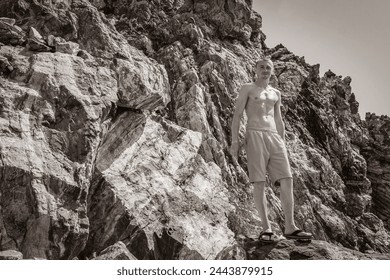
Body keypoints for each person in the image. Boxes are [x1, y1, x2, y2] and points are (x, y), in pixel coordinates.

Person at [230, 56, 312, 242]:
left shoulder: (276, 93)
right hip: (255, 134)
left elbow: (279, 120)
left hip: (274, 137)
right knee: (259, 182)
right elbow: (236, 116)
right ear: (256, 70)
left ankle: (290, 227)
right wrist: (235, 142)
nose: (265, 70)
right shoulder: (247, 88)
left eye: (268, 67)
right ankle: (266, 228)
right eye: (262, 67)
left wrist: (282, 142)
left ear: (272, 71)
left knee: (287, 178)